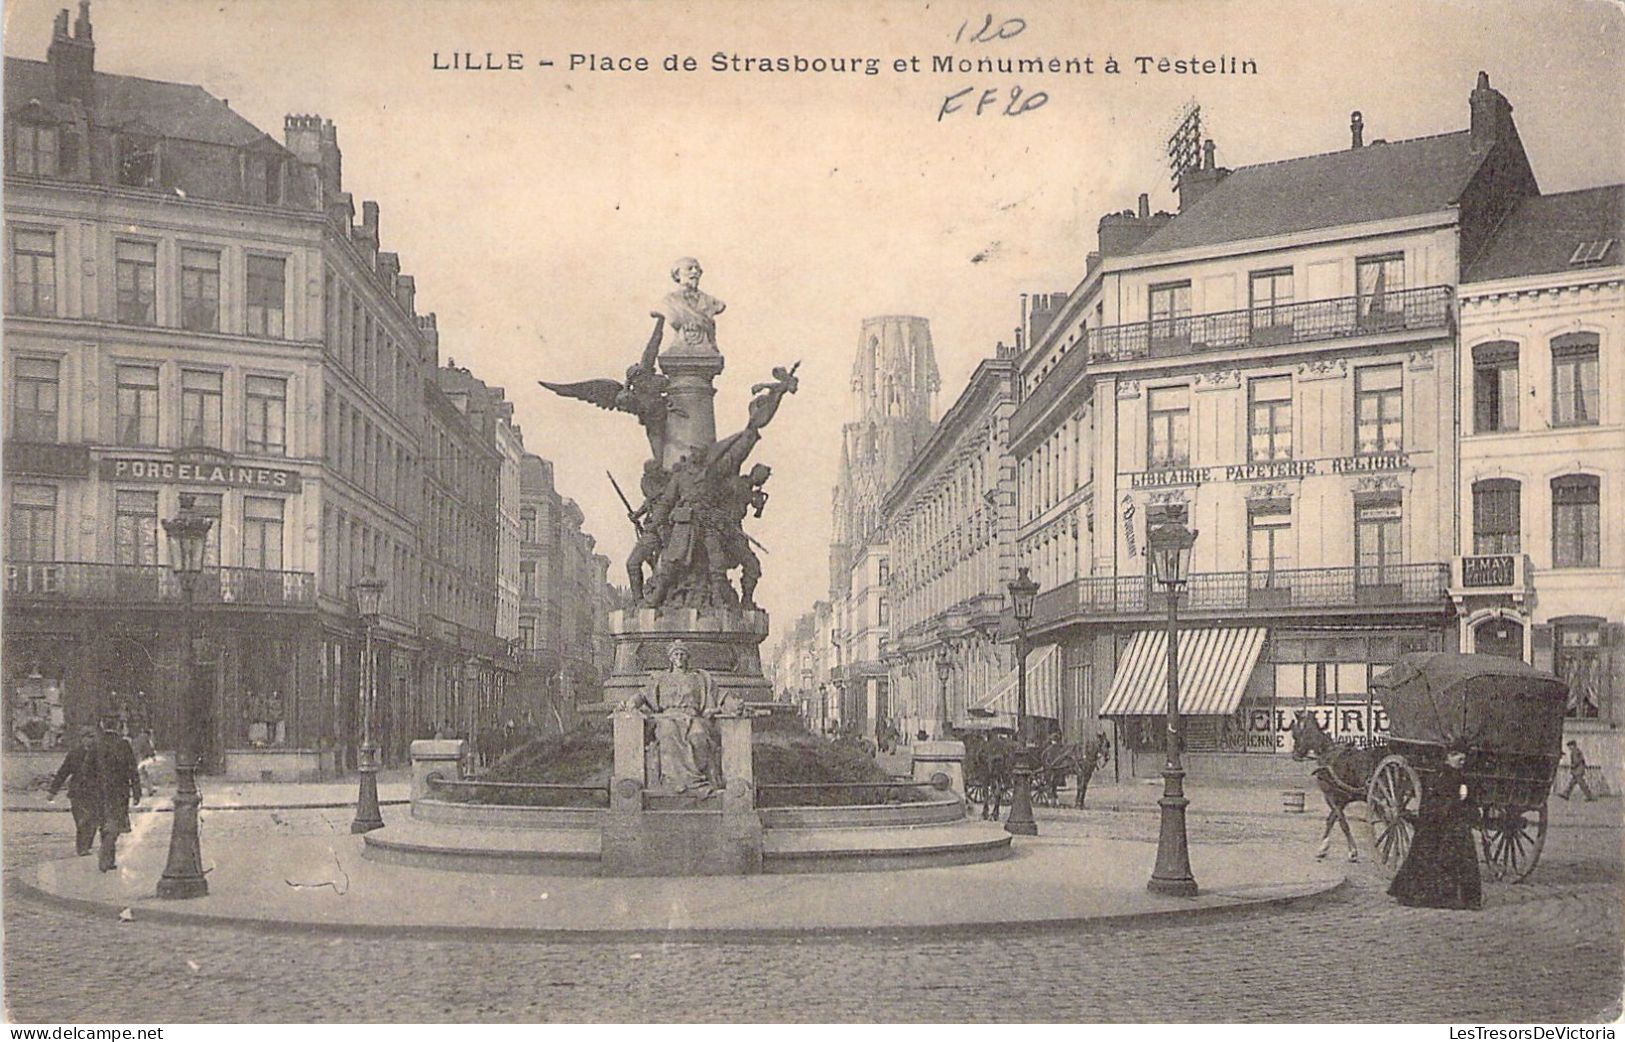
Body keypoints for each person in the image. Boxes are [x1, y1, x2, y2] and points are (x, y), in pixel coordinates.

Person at [1387, 748, 1481, 910]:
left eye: (1462, 756)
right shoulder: (1439, 775)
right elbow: (1433, 802)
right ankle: (1437, 897)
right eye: (1456, 755)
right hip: (1436, 824)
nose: (1461, 759)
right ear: (1447, 758)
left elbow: (1467, 800)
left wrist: (1468, 806)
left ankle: (1464, 898)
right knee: (1436, 855)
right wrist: (1453, 804)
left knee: (1462, 855)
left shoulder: (1461, 776)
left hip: (1454, 823)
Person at [624, 641, 723, 794]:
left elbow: (720, 695)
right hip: (667, 717)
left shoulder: (698, 678)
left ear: (687, 657)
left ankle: (696, 781)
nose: (679, 657)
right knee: (668, 735)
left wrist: (730, 705)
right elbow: (643, 694)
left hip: (692, 717)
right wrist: (632, 702)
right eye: (676, 654)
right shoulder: (661, 678)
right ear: (670, 658)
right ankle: (675, 781)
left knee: (700, 737)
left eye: (682, 654)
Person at [48, 717, 141, 871]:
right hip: (119, 792)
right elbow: (133, 769)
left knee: (104, 823)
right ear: (118, 726)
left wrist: (90, 788)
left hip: (98, 793)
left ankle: (107, 858)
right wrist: (137, 791)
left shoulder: (96, 745)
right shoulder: (124, 745)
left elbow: (86, 771)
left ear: (103, 725)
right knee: (114, 824)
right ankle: (107, 857)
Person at [46, 726, 101, 857]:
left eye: (93, 737)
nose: (90, 740)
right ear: (82, 739)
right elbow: (63, 772)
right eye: (88, 737)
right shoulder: (75, 753)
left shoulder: (99, 754)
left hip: (94, 792)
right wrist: (52, 791)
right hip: (77, 792)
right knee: (81, 820)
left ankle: (86, 844)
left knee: (93, 820)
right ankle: (82, 847)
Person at [659, 257, 726, 355]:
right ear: (677, 274)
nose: (695, 272)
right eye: (689, 268)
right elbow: (673, 320)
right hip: (678, 348)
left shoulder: (712, 302)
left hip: (707, 350)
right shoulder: (668, 301)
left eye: (697, 269)